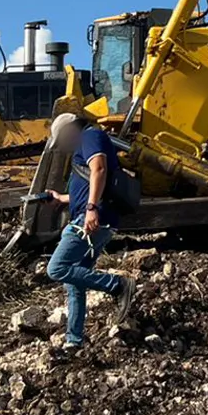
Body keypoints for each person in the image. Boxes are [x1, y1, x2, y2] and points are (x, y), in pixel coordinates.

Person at [42, 113, 136, 349]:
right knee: (75, 282)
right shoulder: (87, 141)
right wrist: (62, 198)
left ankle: (118, 285)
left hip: (92, 217)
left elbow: (99, 170)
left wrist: (91, 208)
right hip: (94, 215)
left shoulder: (90, 135)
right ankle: (74, 341)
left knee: (57, 268)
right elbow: (90, 182)